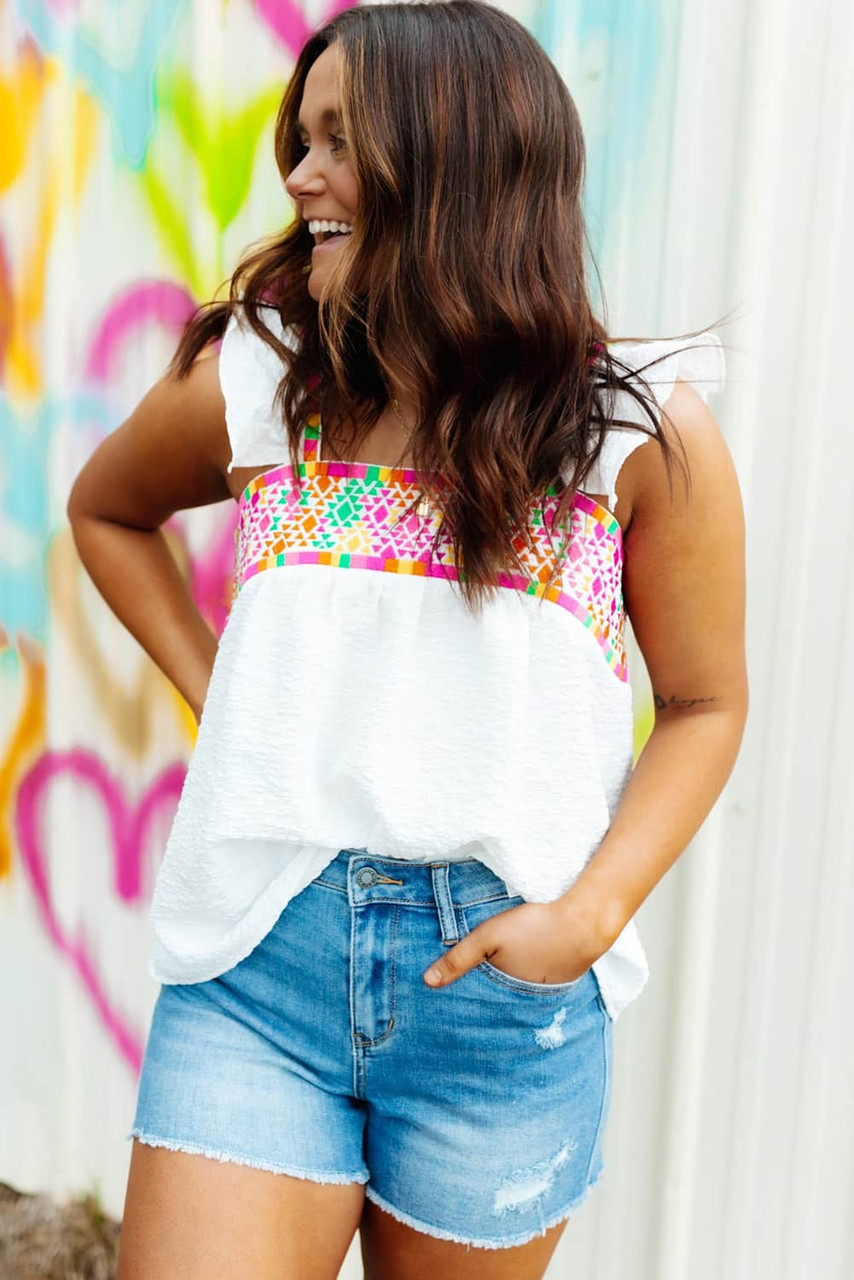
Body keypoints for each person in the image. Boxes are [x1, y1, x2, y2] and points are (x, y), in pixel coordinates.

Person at [67, 3, 747, 1277]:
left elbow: (705, 703)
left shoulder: (634, 429)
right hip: (257, 967)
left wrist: (590, 915)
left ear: (455, 161)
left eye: (338, 140)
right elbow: (108, 511)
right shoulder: (265, 378)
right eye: (299, 137)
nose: (298, 174)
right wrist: (224, 695)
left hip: (499, 998)